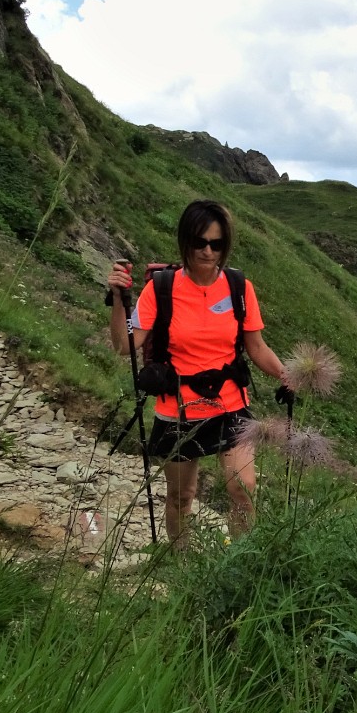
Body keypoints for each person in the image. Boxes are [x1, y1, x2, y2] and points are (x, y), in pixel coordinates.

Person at [107, 200, 286, 547]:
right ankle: (180, 563)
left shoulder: (239, 288)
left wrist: (286, 375)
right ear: (185, 241)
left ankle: (241, 562)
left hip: (231, 404)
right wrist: (117, 300)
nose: (207, 251)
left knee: (244, 488)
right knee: (181, 497)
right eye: (199, 242)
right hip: (178, 407)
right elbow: (124, 346)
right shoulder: (160, 289)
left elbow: (257, 347)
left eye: (216, 244)